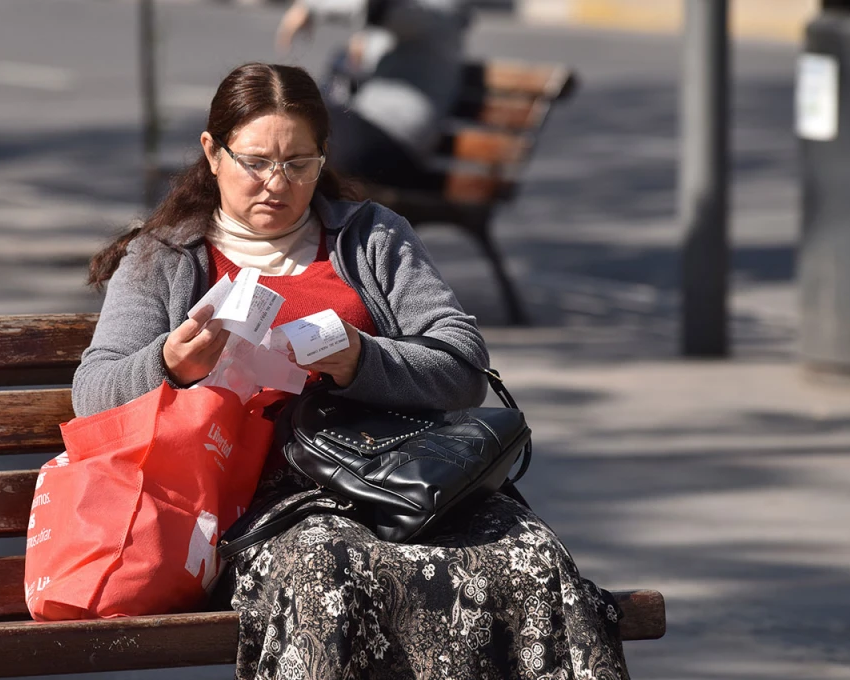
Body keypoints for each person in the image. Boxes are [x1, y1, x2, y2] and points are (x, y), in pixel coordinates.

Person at [74, 62, 628, 679]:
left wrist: (362, 360)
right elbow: (92, 394)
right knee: (328, 571)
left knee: (531, 557)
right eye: (255, 161)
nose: (275, 183)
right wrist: (170, 365)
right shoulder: (165, 256)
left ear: (322, 157)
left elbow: (463, 366)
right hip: (261, 506)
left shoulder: (369, 237)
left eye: (298, 163)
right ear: (213, 153)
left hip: (397, 480)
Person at [275, 0, 471, 191]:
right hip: (370, 126)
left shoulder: (440, 7)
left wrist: (311, 6)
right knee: (288, 115)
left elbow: (386, 9)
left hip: (393, 138)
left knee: (296, 119)